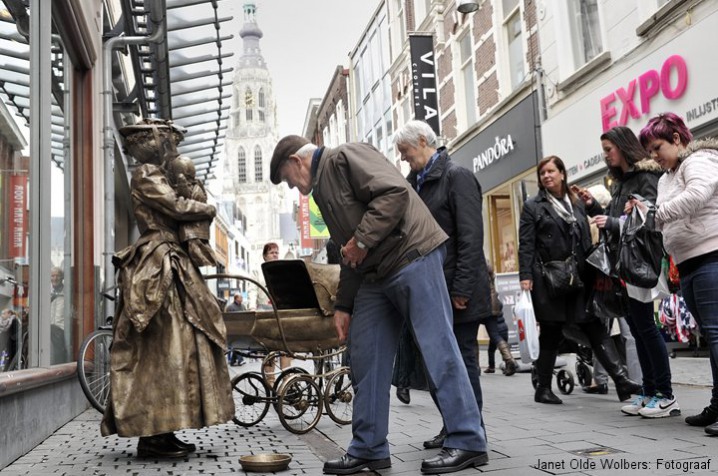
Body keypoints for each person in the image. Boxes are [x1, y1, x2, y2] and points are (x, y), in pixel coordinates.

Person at [271, 134, 489, 475]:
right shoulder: (323, 190)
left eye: (288, 179)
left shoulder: (345, 156)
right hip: (375, 275)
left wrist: (361, 240)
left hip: (413, 256)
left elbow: (394, 193)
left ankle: (467, 440)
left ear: (297, 162)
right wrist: (343, 305)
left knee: (438, 349)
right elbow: (348, 252)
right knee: (365, 356)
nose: (293, 189)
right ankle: (369, 448)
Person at [101, 118, 234, 458]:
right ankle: (152, 434)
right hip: (158, 265)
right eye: (167, 142)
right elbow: (175, 207)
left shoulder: (159, 174)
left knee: (178, 349)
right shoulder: (146, 174)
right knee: (162, 350)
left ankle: (167, 426)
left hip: (171, 263)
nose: (171, 148)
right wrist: (207, 207)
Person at [395, 120, 492, 450]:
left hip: (456, 290)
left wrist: (462, 289)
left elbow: (470, 238)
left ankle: (471, 429)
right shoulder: (415, 184)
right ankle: (454, 425)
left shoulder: (457, 177)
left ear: (423, 141)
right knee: (438, 364)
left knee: (463, 363)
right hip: (432, 290)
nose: (405, 159)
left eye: (406, 153)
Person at [519, 156, 641, 405]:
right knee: (551, 332)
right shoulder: (533, 205)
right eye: (543, 173)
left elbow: (601, 218)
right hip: (550, 279)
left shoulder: (575, 201)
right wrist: (526, 277)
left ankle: (621, 381)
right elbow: (526, 245)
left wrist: (592, 204)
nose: (547, 176)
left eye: (551, 171)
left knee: (593, 324)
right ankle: (543, 388)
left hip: (580, 275)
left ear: (562, 173)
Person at [577, 126, 678, 418]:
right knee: (638, 326)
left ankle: (664, 394)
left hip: (641, 262)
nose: (606, 155)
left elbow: (649, 220)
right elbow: (621, 218)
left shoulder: (646, 177)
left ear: (622, 147)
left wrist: (612, 224)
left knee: (645, 327)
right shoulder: (622, 182)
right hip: (627, 264)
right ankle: (649, 392)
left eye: (609, 149)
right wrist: (593, 207)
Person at [636, 113, 718, 430]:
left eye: (657, 147)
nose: (654, 156)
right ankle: (716, 405)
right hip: (688, 263)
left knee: (716, 334)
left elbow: (698, 195)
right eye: (650, 151)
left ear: (676, 139)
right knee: (711, 336)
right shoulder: (666, 177)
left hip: (711, 256)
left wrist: (655, 216)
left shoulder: (698, 159)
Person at [580, 184, 642, 395]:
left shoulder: (601, 219)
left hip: (608, 278)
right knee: (611, 332)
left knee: (604, 330)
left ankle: (607, 380)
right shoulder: (609, 211)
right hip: (615, 275)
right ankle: (628, 380)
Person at [165, 155, 217, 267]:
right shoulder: (197, 187)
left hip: (192, 234)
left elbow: (182, 206)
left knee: (198, 254)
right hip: (194, 234)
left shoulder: (193, 189)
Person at [259, 242, 292, 385]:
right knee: (269, 351)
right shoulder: (259, 274)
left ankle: (286, 381)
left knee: (285, 349)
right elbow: (256, 294)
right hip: (266, 316)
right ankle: (271, 383)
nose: (275, 255)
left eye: (277, 252)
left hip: (281, 315)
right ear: (265, 256)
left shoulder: (283, 273)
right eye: (272, 252)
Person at [484, 263, 518, 376]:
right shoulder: (491, 276)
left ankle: (475, 367)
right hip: (494, 305)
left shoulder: (479, 273)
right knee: (495, 335)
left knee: (470, 334)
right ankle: (509, 359)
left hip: (483, 304)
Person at [50, 266, 66, 364]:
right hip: (48, 328)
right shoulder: (46, 292)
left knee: (58, 353)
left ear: (62, 277)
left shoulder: (67, 292)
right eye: (53, 276)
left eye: (57, 276)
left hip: (61, 328)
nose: (55, 278)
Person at [225, 293, 247, 366]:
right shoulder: (230, 307)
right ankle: (240, 360)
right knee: (236, 344)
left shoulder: (243, 306)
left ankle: (232, 361)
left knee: (237, 345)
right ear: (236, 298)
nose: (242, 299)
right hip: (233, 329)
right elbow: (227, 318)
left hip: (242, 328)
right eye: (240, 297)